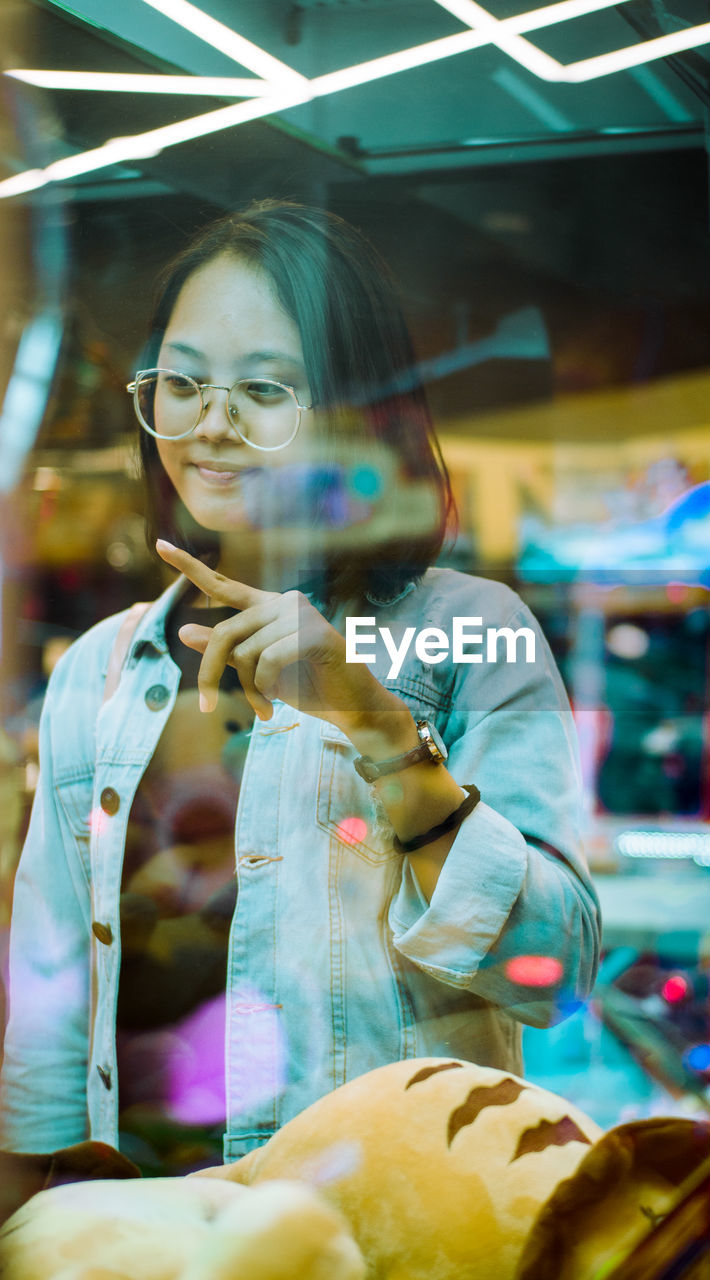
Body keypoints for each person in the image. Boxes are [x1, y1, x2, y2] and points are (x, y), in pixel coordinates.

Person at [0, 201, 600, 1168]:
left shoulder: (470, 633)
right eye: (183, 382)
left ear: (358, 412)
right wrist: (36, 1219)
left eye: (265, 391)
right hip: (153, 1238)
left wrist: (373, 718)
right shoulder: (100, 673)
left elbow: (557, 972)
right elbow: (49, 1004)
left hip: (384, 1236)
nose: (211, 426)